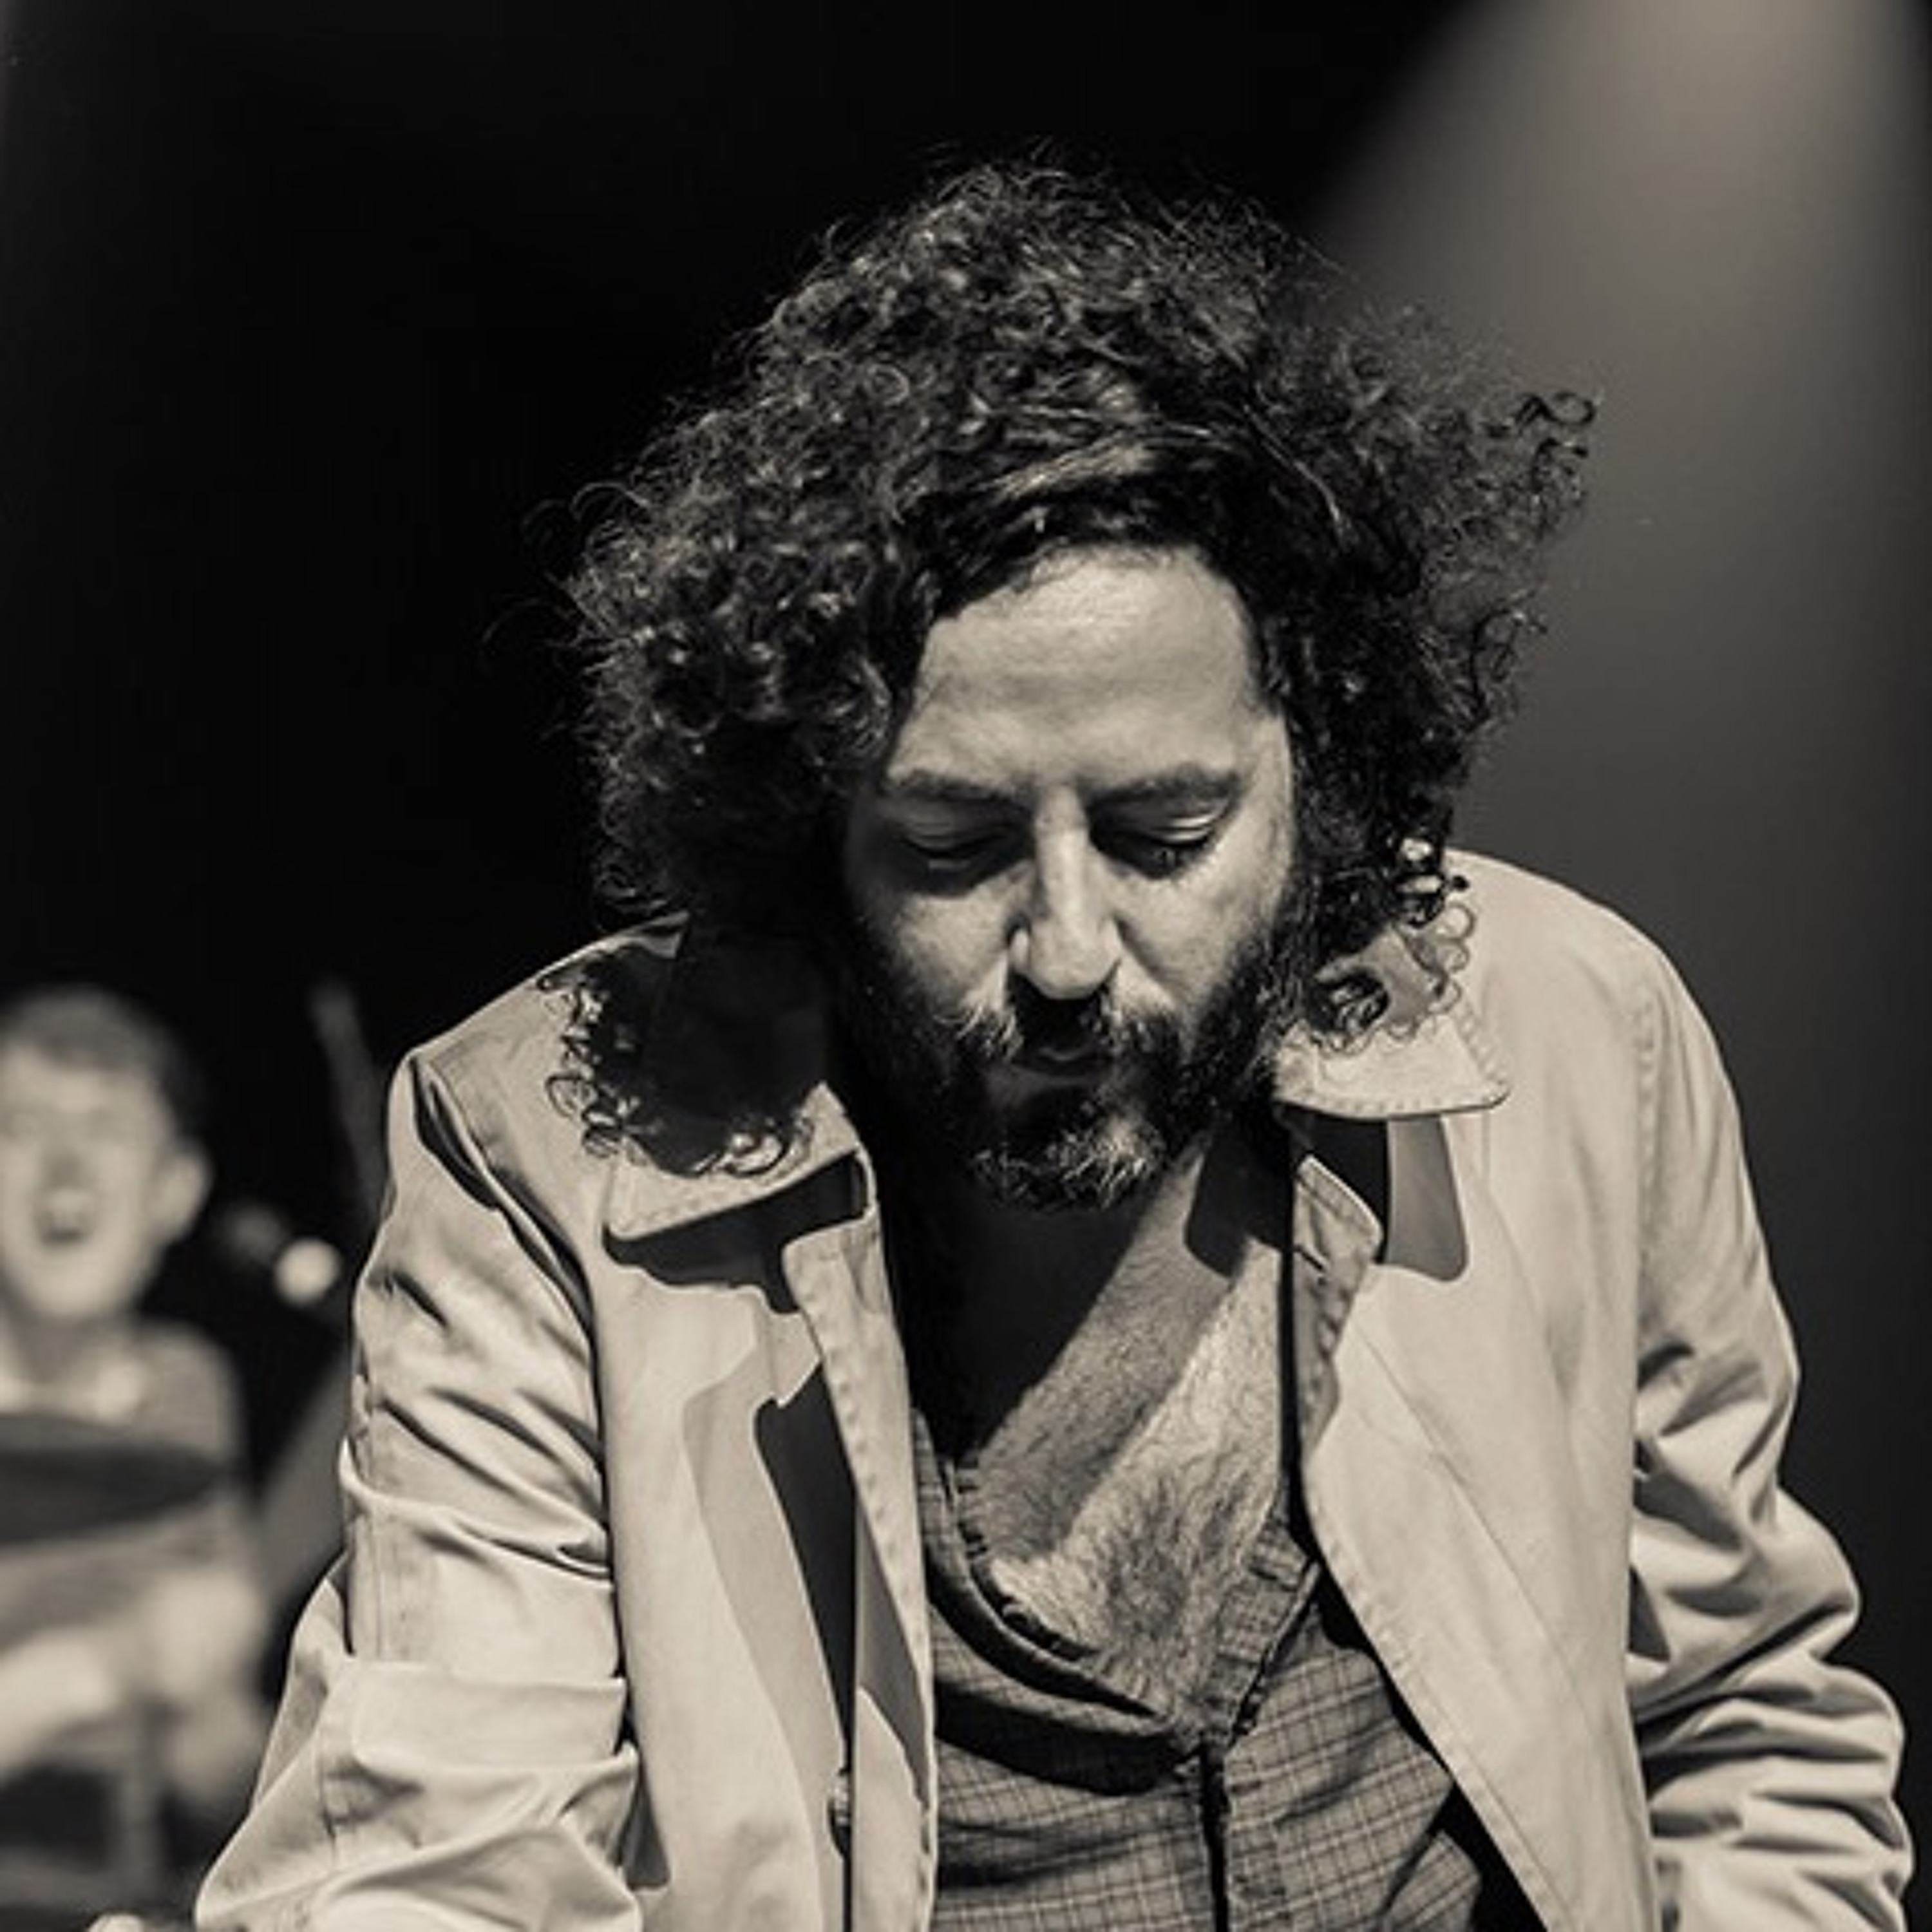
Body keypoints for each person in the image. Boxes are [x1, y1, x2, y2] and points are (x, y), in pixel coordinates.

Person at [196, 158, 1909, 1929]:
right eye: (954, 847)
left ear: (1324, 770)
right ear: (805, 822)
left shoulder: (1583, 1033)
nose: (1072, 953)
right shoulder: (551, 1148)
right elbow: (435, 1865)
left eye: (1169, 833)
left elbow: (1740, 1729)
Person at [0, 983, 271, 1916]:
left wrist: (221, 1717)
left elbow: (212, 1777)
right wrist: (106, 1667)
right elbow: (128, 1664)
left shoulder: (186, 1391)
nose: (66, 1167)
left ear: (176, 1190)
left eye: (107, 1129)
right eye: (23, 1126)